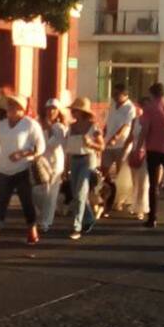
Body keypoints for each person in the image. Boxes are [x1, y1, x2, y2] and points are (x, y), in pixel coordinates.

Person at [0, 91, 45, 246]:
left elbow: (40, 147)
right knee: (0, 203)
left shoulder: (30, 125)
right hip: (3, 170)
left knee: (27, 202)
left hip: (22, 170)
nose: (11, 108)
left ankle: (32, 230)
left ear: (22, 109)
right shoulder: (0, 126)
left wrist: (23, 153)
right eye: (9, 105)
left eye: (14, 105)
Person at [137, 82, 164, 227]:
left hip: (153, 148)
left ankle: (152, 218)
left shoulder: (149, 109)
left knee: (153, 183)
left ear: (152, 94)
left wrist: (138, 148)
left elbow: (145, 130)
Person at [65, 97, 104, 240]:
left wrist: (91, 144)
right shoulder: (71, 127)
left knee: (81, 193)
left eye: (75, 110)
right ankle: (89, 217)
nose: (72, 112)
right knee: (76, 194)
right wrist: (66, 167)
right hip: (74, 160)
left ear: (82, 112)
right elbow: (68, 150)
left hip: (87, 160)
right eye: (72, 110)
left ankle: (77, 227)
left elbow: (102, 146)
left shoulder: (93, 126)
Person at [101, 83, 137, 215]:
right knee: (104, 171)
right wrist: (104, 135)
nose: (114, 96)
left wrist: (115, 137)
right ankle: (106, 196)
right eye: (113, 94)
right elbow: (108, 122)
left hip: (122, 144)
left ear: (125, 95)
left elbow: (126, 125)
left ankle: (120, 200)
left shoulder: (130, 108)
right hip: (108, 143)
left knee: (121, 173)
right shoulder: (112, 105)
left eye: (117, 94)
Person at [35, 99, 67, 233]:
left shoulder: (60, 127)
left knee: (50, 193)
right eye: (48, 109)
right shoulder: (38, 125)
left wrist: (49, 128)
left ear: (58, 111)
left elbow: (53, 144)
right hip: (41, 163)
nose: (51, 111)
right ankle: (46, 212)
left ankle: (46, 222)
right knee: (37, 192)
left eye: (54, 109)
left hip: (55, 164)